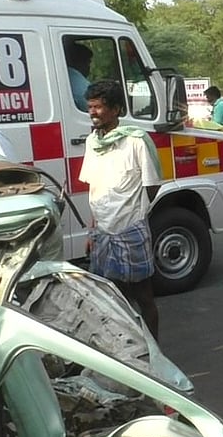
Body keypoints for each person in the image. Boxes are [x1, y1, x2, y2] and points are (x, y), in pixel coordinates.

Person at [80, 79, 164, 339]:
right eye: (90, 107)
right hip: (103, 232)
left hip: (130, 230)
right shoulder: (92, 143)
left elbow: (152, 186)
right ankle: (126, 349)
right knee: (112, 297)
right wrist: (93, 230)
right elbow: (94, 188)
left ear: (116, 109)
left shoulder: (136, 141)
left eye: (98, 107)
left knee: (143, 297)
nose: (92, 112)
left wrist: (135, 215)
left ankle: (154, 353)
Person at [65, 39, 94, 111]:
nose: (90, 67)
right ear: (81, 62)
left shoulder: (64, 75)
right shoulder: (82, 86)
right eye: (88, 63)